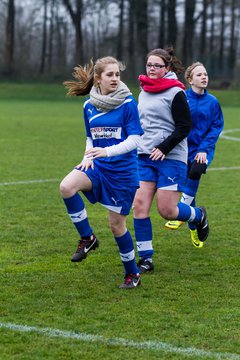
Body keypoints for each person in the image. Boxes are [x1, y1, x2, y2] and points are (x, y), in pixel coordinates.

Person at [60, 56, 144, 289]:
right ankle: (87, 238)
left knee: (116, 226)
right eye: (110, 75)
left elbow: (136, 139)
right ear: (98, 78)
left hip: (123, 173)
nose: (115, 78)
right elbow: (90, 137)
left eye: (117, 74)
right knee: (66, 187)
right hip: (97, 166)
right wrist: (87, 157)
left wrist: (107, 152)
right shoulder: (88, 105)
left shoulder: (128, 103)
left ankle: (132, 274)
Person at [133, 48, 209, 274]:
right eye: (149, 65)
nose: (152, 69)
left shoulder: (176, 93)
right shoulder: (143, 90)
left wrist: (164, 147)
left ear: (167, 69)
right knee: (139, 207)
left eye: (157, 65)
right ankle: (146, 258)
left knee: (167, 210)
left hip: (171, 157)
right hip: (145, 156)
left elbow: (185, 126)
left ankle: (198, 215)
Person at [165, 62, 224, 247]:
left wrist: (204, 149)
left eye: (205, 74)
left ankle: (179, 213)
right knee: (190, 185)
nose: (204, 77)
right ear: (190, 80)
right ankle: (195, 225)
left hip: (203, 149)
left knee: (196, 171)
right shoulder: (182, 98)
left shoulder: (213, 102)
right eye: (199, 75)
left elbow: (216, 127)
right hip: (182, 149)